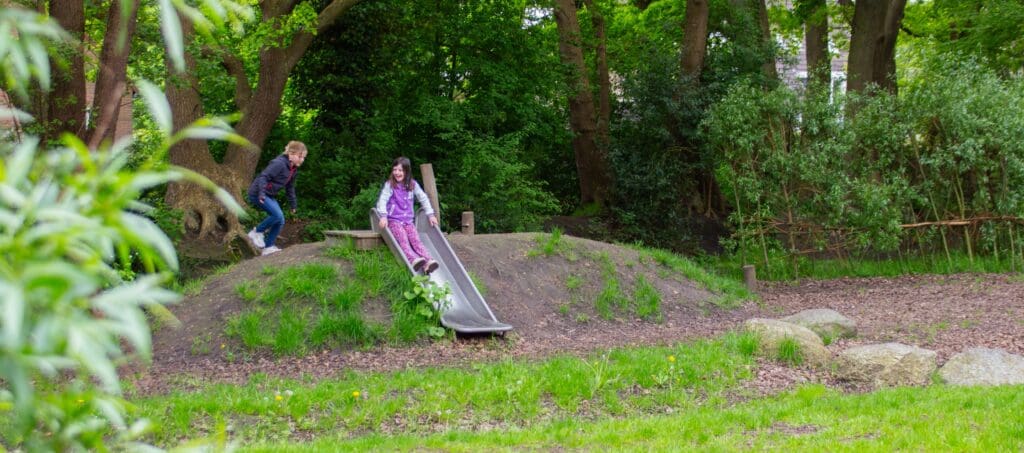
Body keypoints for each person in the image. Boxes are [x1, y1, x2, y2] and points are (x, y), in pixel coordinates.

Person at [375, 156, 440, 274]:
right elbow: (382, 201)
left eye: (400, 170)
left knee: (416, 240)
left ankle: (428, 261)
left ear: (406, 171)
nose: (397, 173)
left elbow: (423, 198)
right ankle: (413, 259)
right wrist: (383, 216)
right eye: (395, 169)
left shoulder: (412, 185)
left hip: (408, 221)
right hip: (394, 220)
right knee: (403, 238)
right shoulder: (390, 185)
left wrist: (430, 214)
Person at [247, 141, 307, 256]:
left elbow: (290, 188)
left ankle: (268, 247)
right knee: (277, 215)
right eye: (300, 156)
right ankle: (256, 232)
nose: (302, 159)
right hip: (257, 193)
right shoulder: (279, 163)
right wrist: (261, 193)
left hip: (268, 194)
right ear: (291, 154)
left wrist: (293, 204)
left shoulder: (293, 169)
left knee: (280, 220)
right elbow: (263, 177)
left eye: (303, 157)